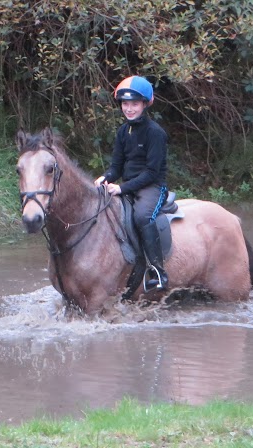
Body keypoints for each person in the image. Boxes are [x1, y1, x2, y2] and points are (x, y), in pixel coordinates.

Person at [94, 75, 169, 291]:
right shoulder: (122, 131)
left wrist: (121, 187)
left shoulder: (155, 133)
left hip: (152, 187)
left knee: (142, 216)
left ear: (145, 104)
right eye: (125, 104)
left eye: (134, 104)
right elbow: (117, 166)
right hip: (127, 185)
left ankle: (157, 272)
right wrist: (106, 178)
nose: (129, 109)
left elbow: (152, 172)